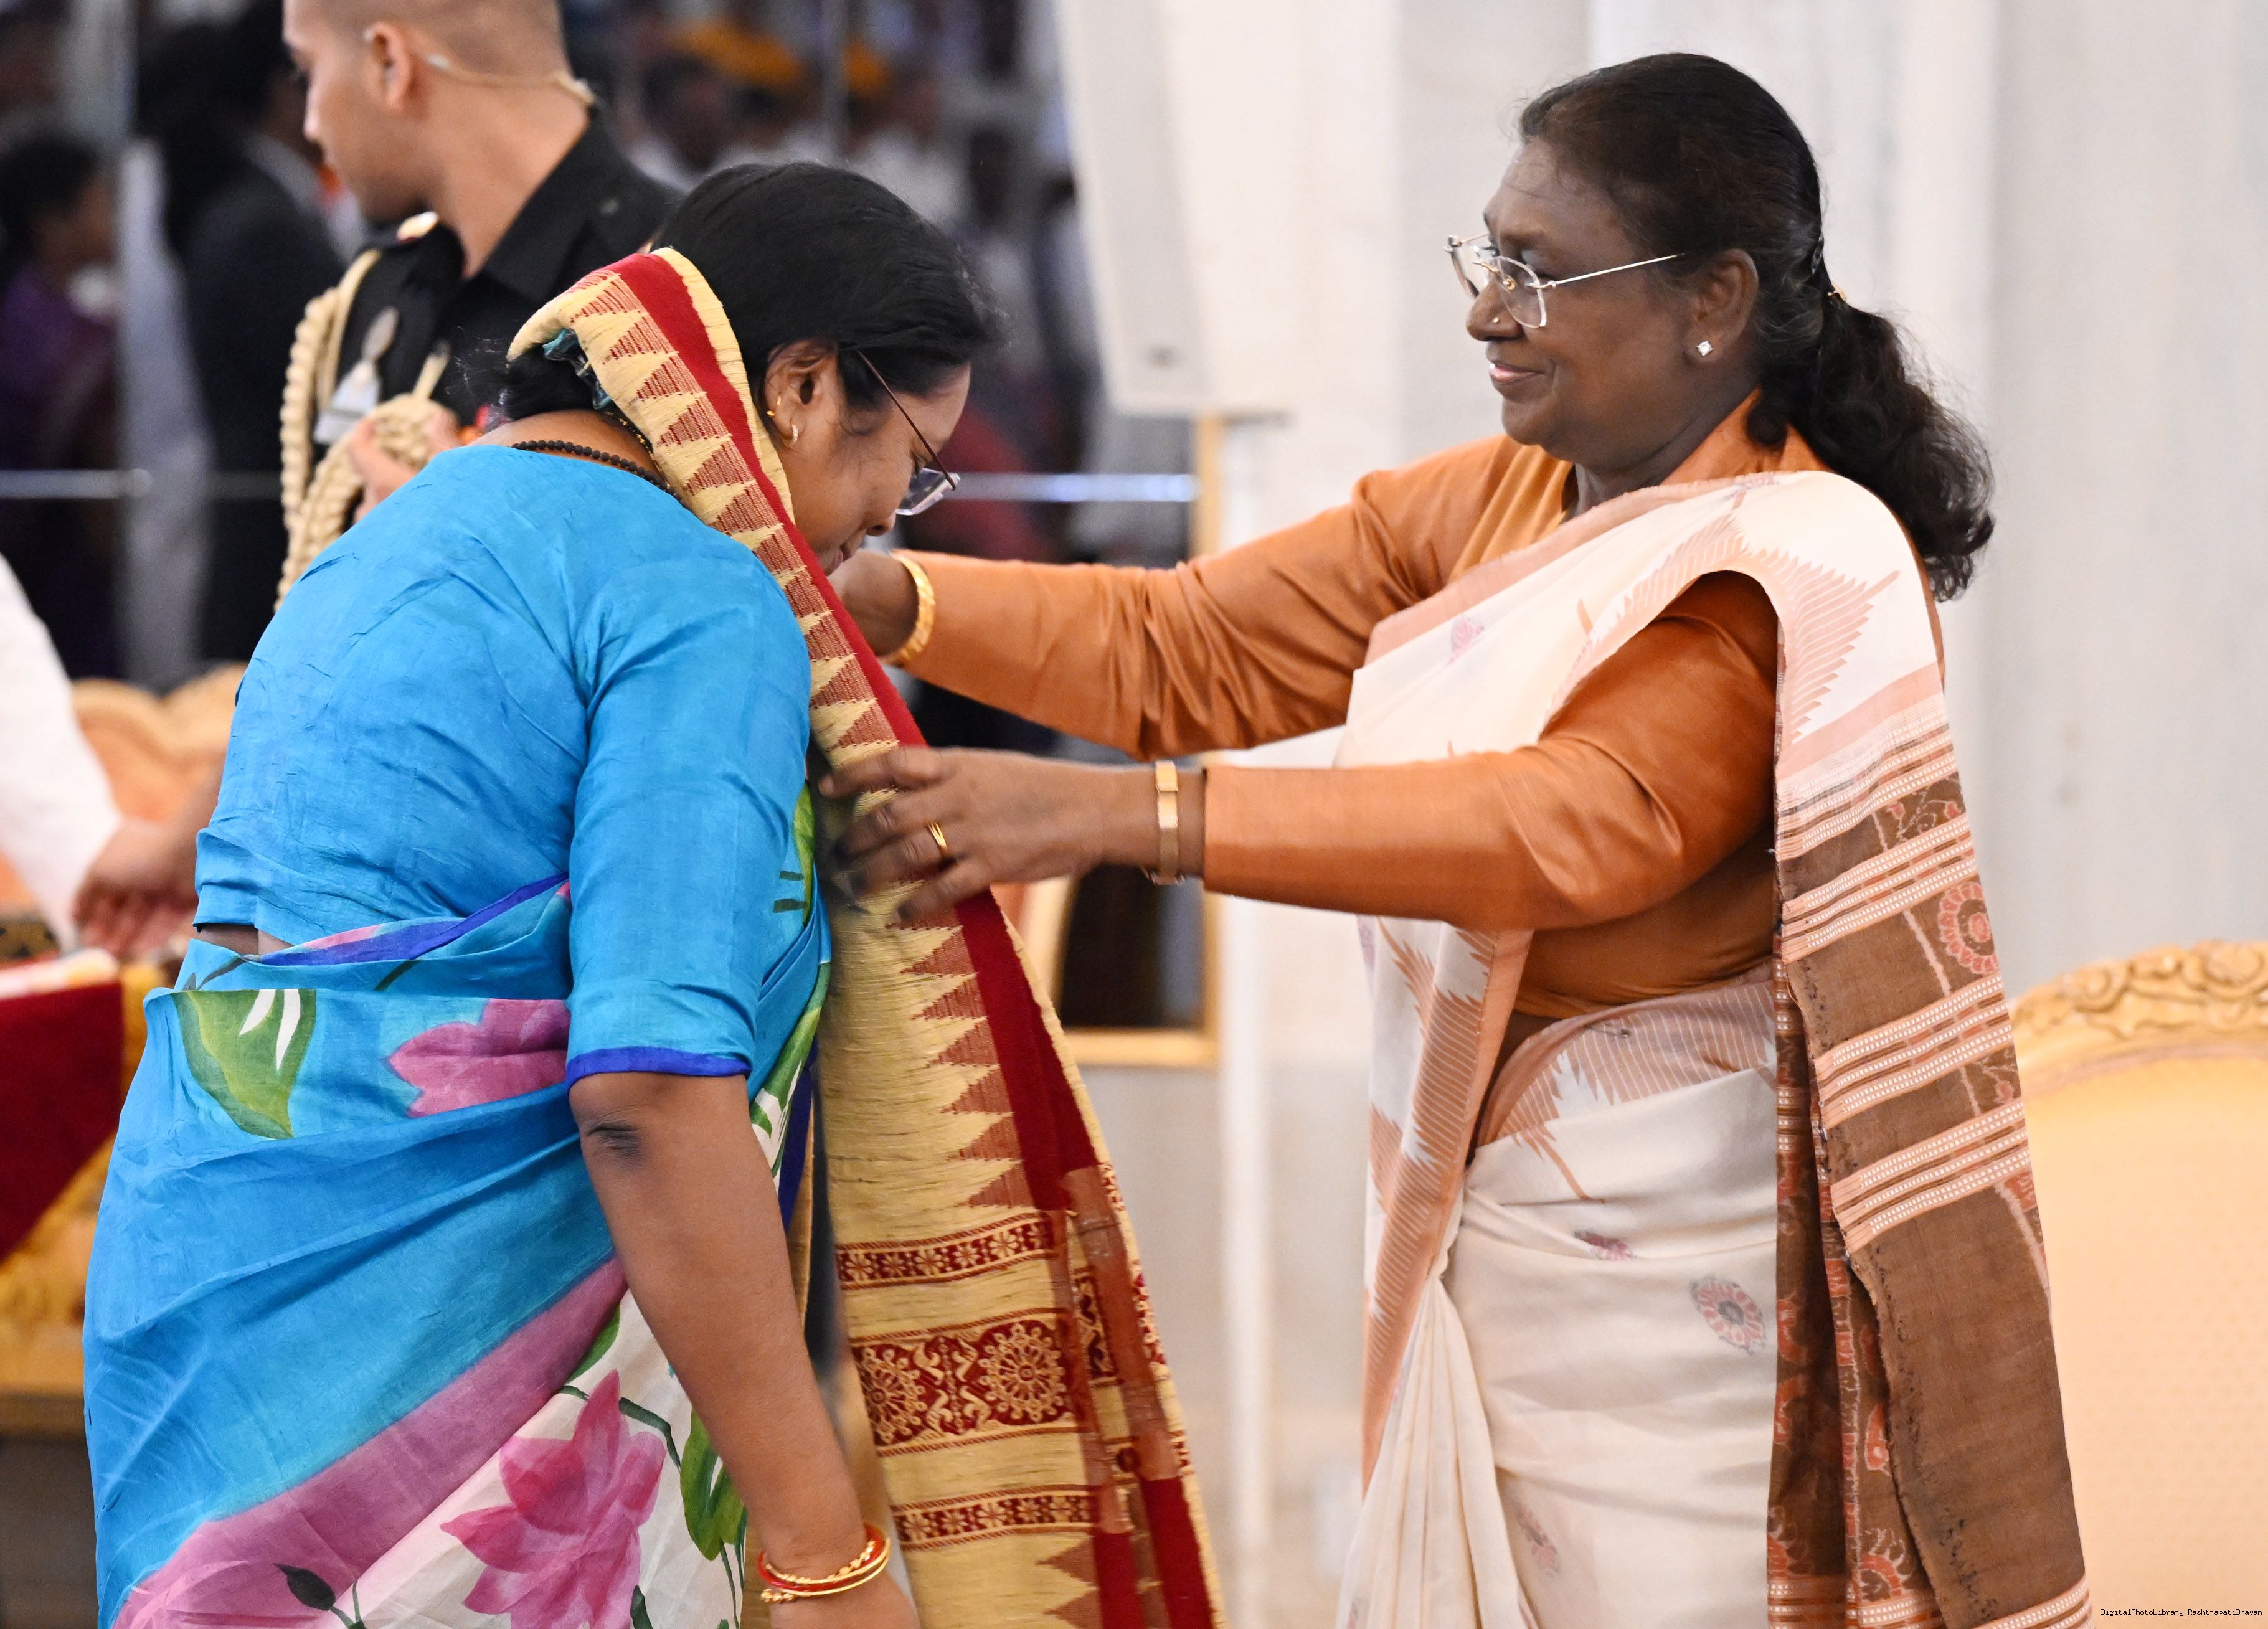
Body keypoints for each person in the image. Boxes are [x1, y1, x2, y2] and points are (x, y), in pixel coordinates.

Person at [826, 54, 2089, 1628]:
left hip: (1674, 1324)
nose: (1489, 311)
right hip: (1500, 1253)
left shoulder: (1788, 560)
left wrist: (1121, 816)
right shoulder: (1514, 497)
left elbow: (1574, 824)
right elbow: (1184, 647)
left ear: (1712, 297)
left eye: (1538, 271)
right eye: (1485, 257)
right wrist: (879, 592)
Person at [83, 162, 1216, 1629]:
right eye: (911, 458)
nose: (893, 513)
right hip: (432, 1350)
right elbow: (651, 1097)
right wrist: (824, 1551)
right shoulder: (701, 598)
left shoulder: (402, 529)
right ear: (802, 386)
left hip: (207, 1293)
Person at [274, 0, 674, 585]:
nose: (311, 124)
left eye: (308, 70)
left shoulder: (677, 290)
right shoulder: (378, 287)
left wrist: (457, 540)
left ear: (390, 64)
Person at [148, 1, 346, 663]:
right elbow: (320, 393)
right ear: (287, 93)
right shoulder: (264, 227)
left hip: (265, 549)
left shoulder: (263, 211)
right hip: (273, 557)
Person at [0, 131, 118, 678]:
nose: (112, 218)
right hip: (52, 561)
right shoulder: (61, 336)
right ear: (53, 222)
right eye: (99, 202)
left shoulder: (33, 311)